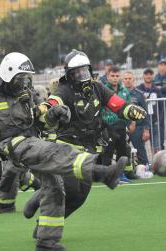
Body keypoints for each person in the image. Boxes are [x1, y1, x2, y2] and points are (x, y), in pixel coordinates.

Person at [0, 52, 129, 251]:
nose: (25, 82)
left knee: (55, 186)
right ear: (8, 74)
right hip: (12, 144)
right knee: (56, 151)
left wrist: (53, 115)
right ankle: (102, 173)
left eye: (27, 78)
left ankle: (46, 239)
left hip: (31, 139)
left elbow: (39, 122)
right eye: (21, 78)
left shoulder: (25, 94)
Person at [23, 49, 145, 229]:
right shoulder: (65, 90)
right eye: (77, 72)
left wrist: (131, 111)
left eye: (84, 71)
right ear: (70, 75)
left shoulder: (98, 88)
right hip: (68, 147)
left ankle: (43, 224)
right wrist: (43, 108)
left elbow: (117, 104)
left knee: (79, 197)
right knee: (70, 187)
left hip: (90, 149)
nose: (82, 75)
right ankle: (38, 199)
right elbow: (54, 101)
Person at [101, 65, 134, 181]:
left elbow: (129, 107)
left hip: (121, 125)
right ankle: (106, 175)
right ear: (107, 76)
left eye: (117, 76)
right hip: (108, 126)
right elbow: (99, 108)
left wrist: (131, 122)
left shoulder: (124, 91)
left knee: (122, 150)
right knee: (108, 151)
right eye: (112, 76)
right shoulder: (103, 90)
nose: (115, 78)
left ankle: (121, 174)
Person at [122, 71, 151, 166]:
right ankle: (125, 171)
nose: (128, 81)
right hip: (122, 127)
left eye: (130, 78)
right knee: (122, 150)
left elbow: (146, 113)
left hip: (138, 128)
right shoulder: (118, 94)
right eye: (126, 79)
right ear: (123, 81)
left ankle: (146, 168)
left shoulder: (139, 94)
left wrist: (146, 130)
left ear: (133, 80)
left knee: (140, 150)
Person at [136, 68, 164, 153]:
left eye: (150, 74)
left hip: (154, 121)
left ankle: (156, 165)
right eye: (146, 74)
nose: (148, 76)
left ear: (153, 76)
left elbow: (161, 106)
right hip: (142, 122)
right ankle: (142, 165)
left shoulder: (157, 90)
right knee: (140, 148)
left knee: (156, 148)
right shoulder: (138, 89)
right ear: (143, 76)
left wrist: (159, 120)